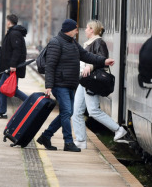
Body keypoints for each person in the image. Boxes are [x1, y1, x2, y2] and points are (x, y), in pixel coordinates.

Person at [36, 19, 115, 152]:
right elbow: (50, 65)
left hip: (69, 84)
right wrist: (49, 85)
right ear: (69, 30)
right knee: (67, 112)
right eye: (75, 29)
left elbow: (87, 56)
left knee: (68, 112)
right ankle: (68, 142)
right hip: (59, 84)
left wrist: (104, 61)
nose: (77, 31)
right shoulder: (56, 43)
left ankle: (46, 136)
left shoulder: (72, 43)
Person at [71, 20, 128, 149]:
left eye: (87, 28)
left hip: (91, 81)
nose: (85, 30)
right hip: (84, 80)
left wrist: (90, 67)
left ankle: (119, 129)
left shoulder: (99, 42)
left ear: (92, 30)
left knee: (93, 111)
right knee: (76, 112)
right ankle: (80, 140)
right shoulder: (90, 43)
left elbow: (102, 59)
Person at [0, 14, 28, 119]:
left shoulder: (14, 34)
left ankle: (30, 102)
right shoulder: (13, 33)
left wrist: (13, 65)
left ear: (8, 22)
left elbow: (17, 50)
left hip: (11, 67)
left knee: (12, 89)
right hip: (7, 67)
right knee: (2, 89)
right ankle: (2, 112)